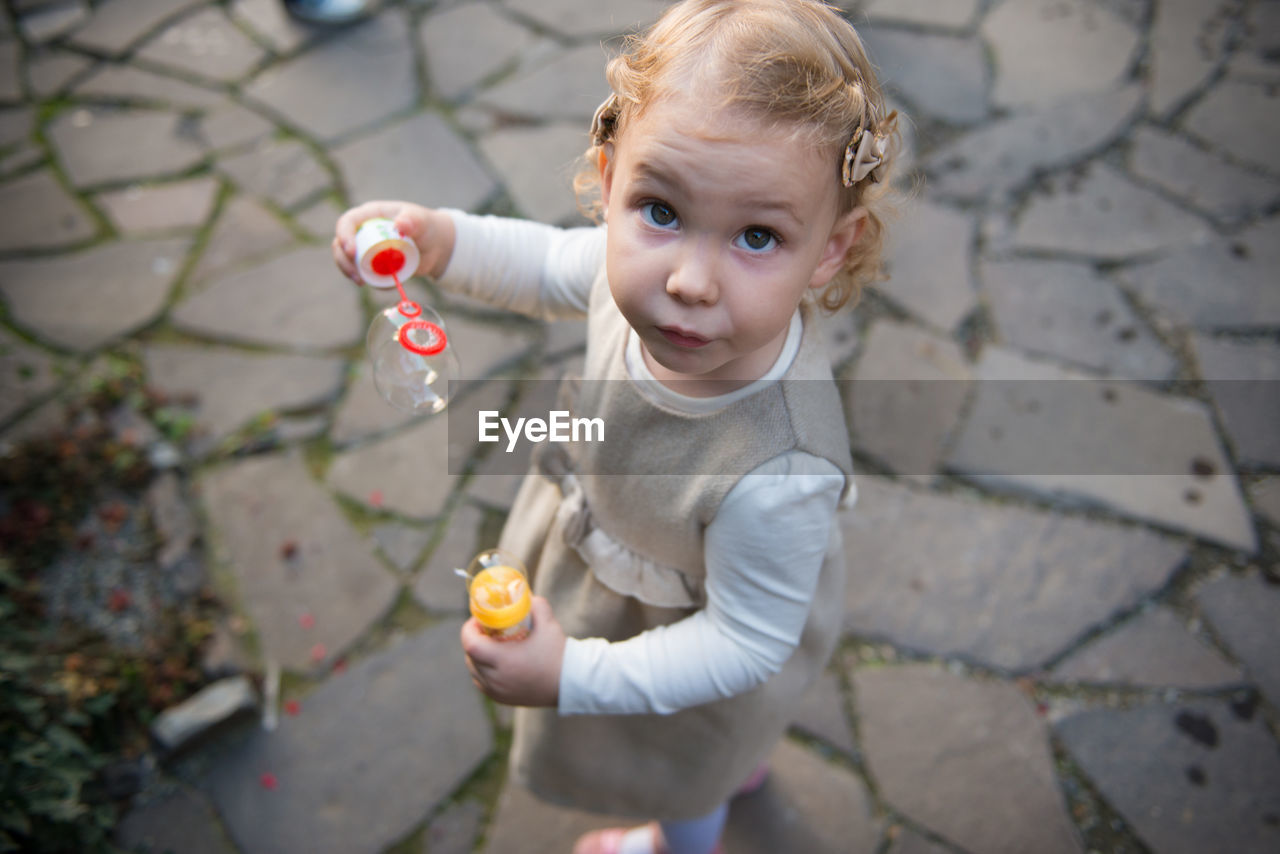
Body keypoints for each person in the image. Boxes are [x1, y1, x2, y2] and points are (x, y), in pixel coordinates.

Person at [331, 2, 898, 851]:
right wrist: (442, 240)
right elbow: (546, 264)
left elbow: (743, 642)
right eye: (660, 211)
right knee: (704, 747)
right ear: (609, 182)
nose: (689, 280)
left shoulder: (780, 470)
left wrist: (572, 673)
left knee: (684, 768)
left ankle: (676, 840)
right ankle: (734, 763)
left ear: (830, 248)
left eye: (756, 235)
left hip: (703, 633)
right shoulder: (623, 264)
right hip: (624, 564)